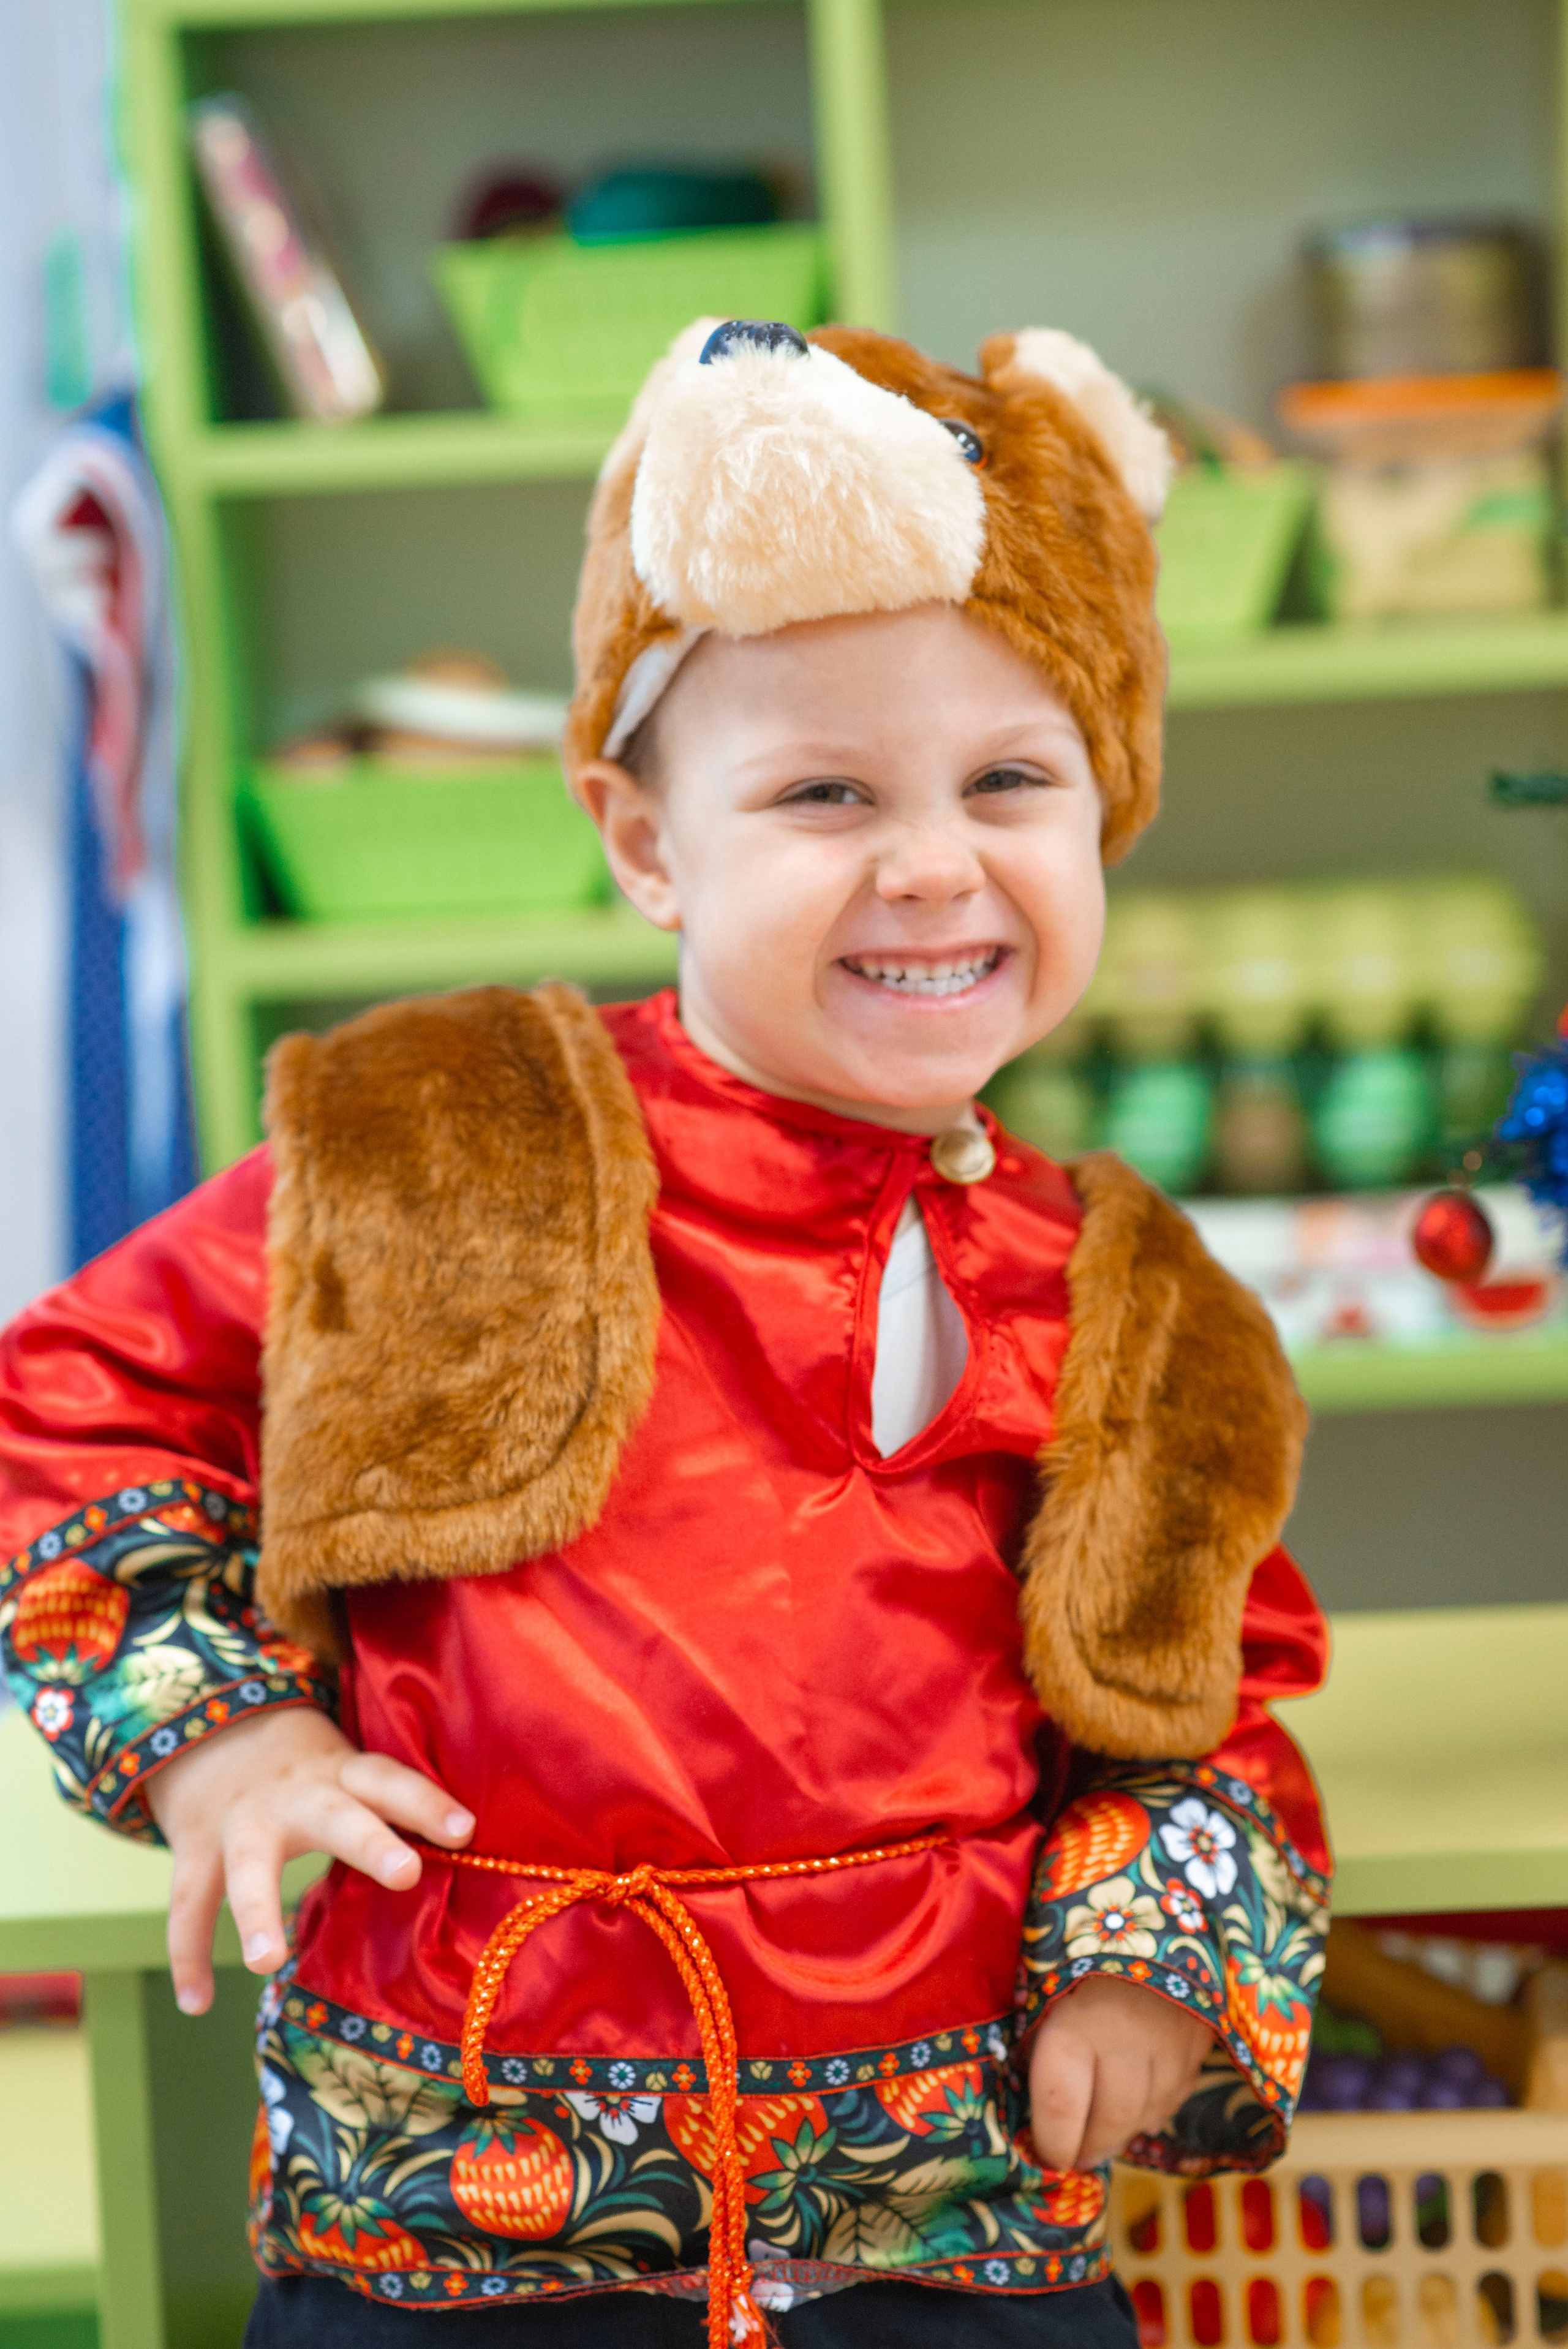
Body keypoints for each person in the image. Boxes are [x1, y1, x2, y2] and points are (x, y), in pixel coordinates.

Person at [0, 320, 1330, 2348]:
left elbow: (1211, 1697)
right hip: (456, 2216)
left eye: (1011, 779)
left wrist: (1151, 1946)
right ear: (642, 839)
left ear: (1103, 805)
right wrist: (226, 1734)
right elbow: (67, 1402)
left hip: (949, 2222)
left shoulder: (1144, 1302)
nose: (933, 863)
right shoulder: (437, 1143)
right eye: (821, 790)